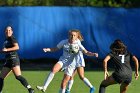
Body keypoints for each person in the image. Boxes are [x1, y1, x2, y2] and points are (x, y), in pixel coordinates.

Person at [0, 26, 34, 93]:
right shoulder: (6, 40)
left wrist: (7, 49)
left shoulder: (12, 38)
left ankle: (30, 89)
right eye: (7, 30)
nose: (8, 31)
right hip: (8, 61)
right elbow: (5, 50)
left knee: (18, 76)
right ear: (5, 32)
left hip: (13, 59)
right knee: (1, 78)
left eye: (9, 30)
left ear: (12, 32)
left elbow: (17, 47)